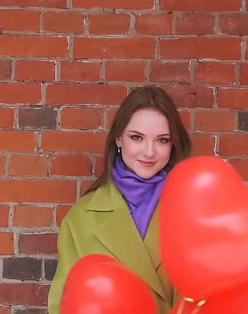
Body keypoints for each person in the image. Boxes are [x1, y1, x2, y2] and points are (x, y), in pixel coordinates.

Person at [47, 85, 193, 314]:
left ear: (173, 144)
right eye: (137, 137)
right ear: (118, 139)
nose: (149, 152)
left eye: (162, 140)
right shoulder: (82, 217)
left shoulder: (191, 209)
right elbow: (62, 305)